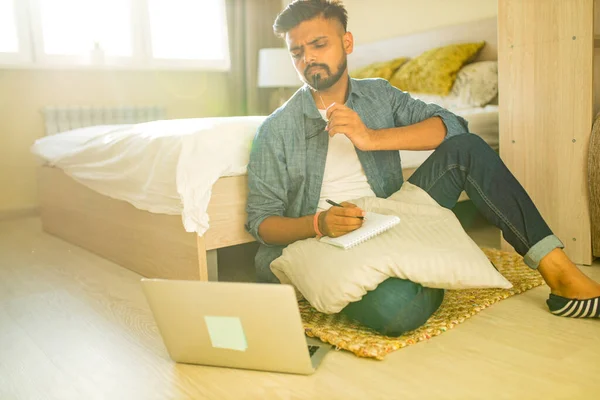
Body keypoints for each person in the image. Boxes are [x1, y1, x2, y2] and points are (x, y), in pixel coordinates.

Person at [245, 0, 600, 336]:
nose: (308, 58)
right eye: (297, 51)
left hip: (393, 214)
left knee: (467, 149)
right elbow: (262, 223)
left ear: (346, 42)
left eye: (318, 44)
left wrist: (371, 137)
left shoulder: (379, 95)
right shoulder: (276, 129)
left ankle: (562, 275)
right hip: (326, 240)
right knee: (399, 309)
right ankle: (439, 259)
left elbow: (452, 125)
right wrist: (318, 223)